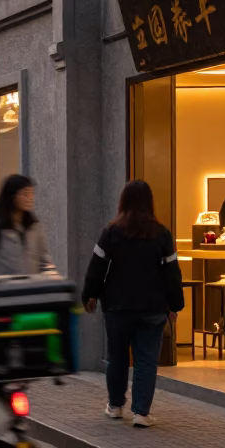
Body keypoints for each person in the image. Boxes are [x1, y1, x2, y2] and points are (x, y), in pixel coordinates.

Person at [82, 180, 184, 428]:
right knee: (146, 360)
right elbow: (172, 272)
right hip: (153, 306)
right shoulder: (162, 234)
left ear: (123, 202)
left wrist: (90, 295)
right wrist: (175, 305)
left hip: (117, 306)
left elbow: (97, 266)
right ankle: (140, 412)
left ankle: (115, 406)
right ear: (150, 202)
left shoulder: (111, 231)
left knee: (117, 357)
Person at [0, 174, 56, 283]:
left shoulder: (33, 227)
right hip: (2, 296)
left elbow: (44, 260)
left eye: (31, 194)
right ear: (12, 196)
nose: (30, 198)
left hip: (30, 295)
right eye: (25, 194)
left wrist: (51, 275)